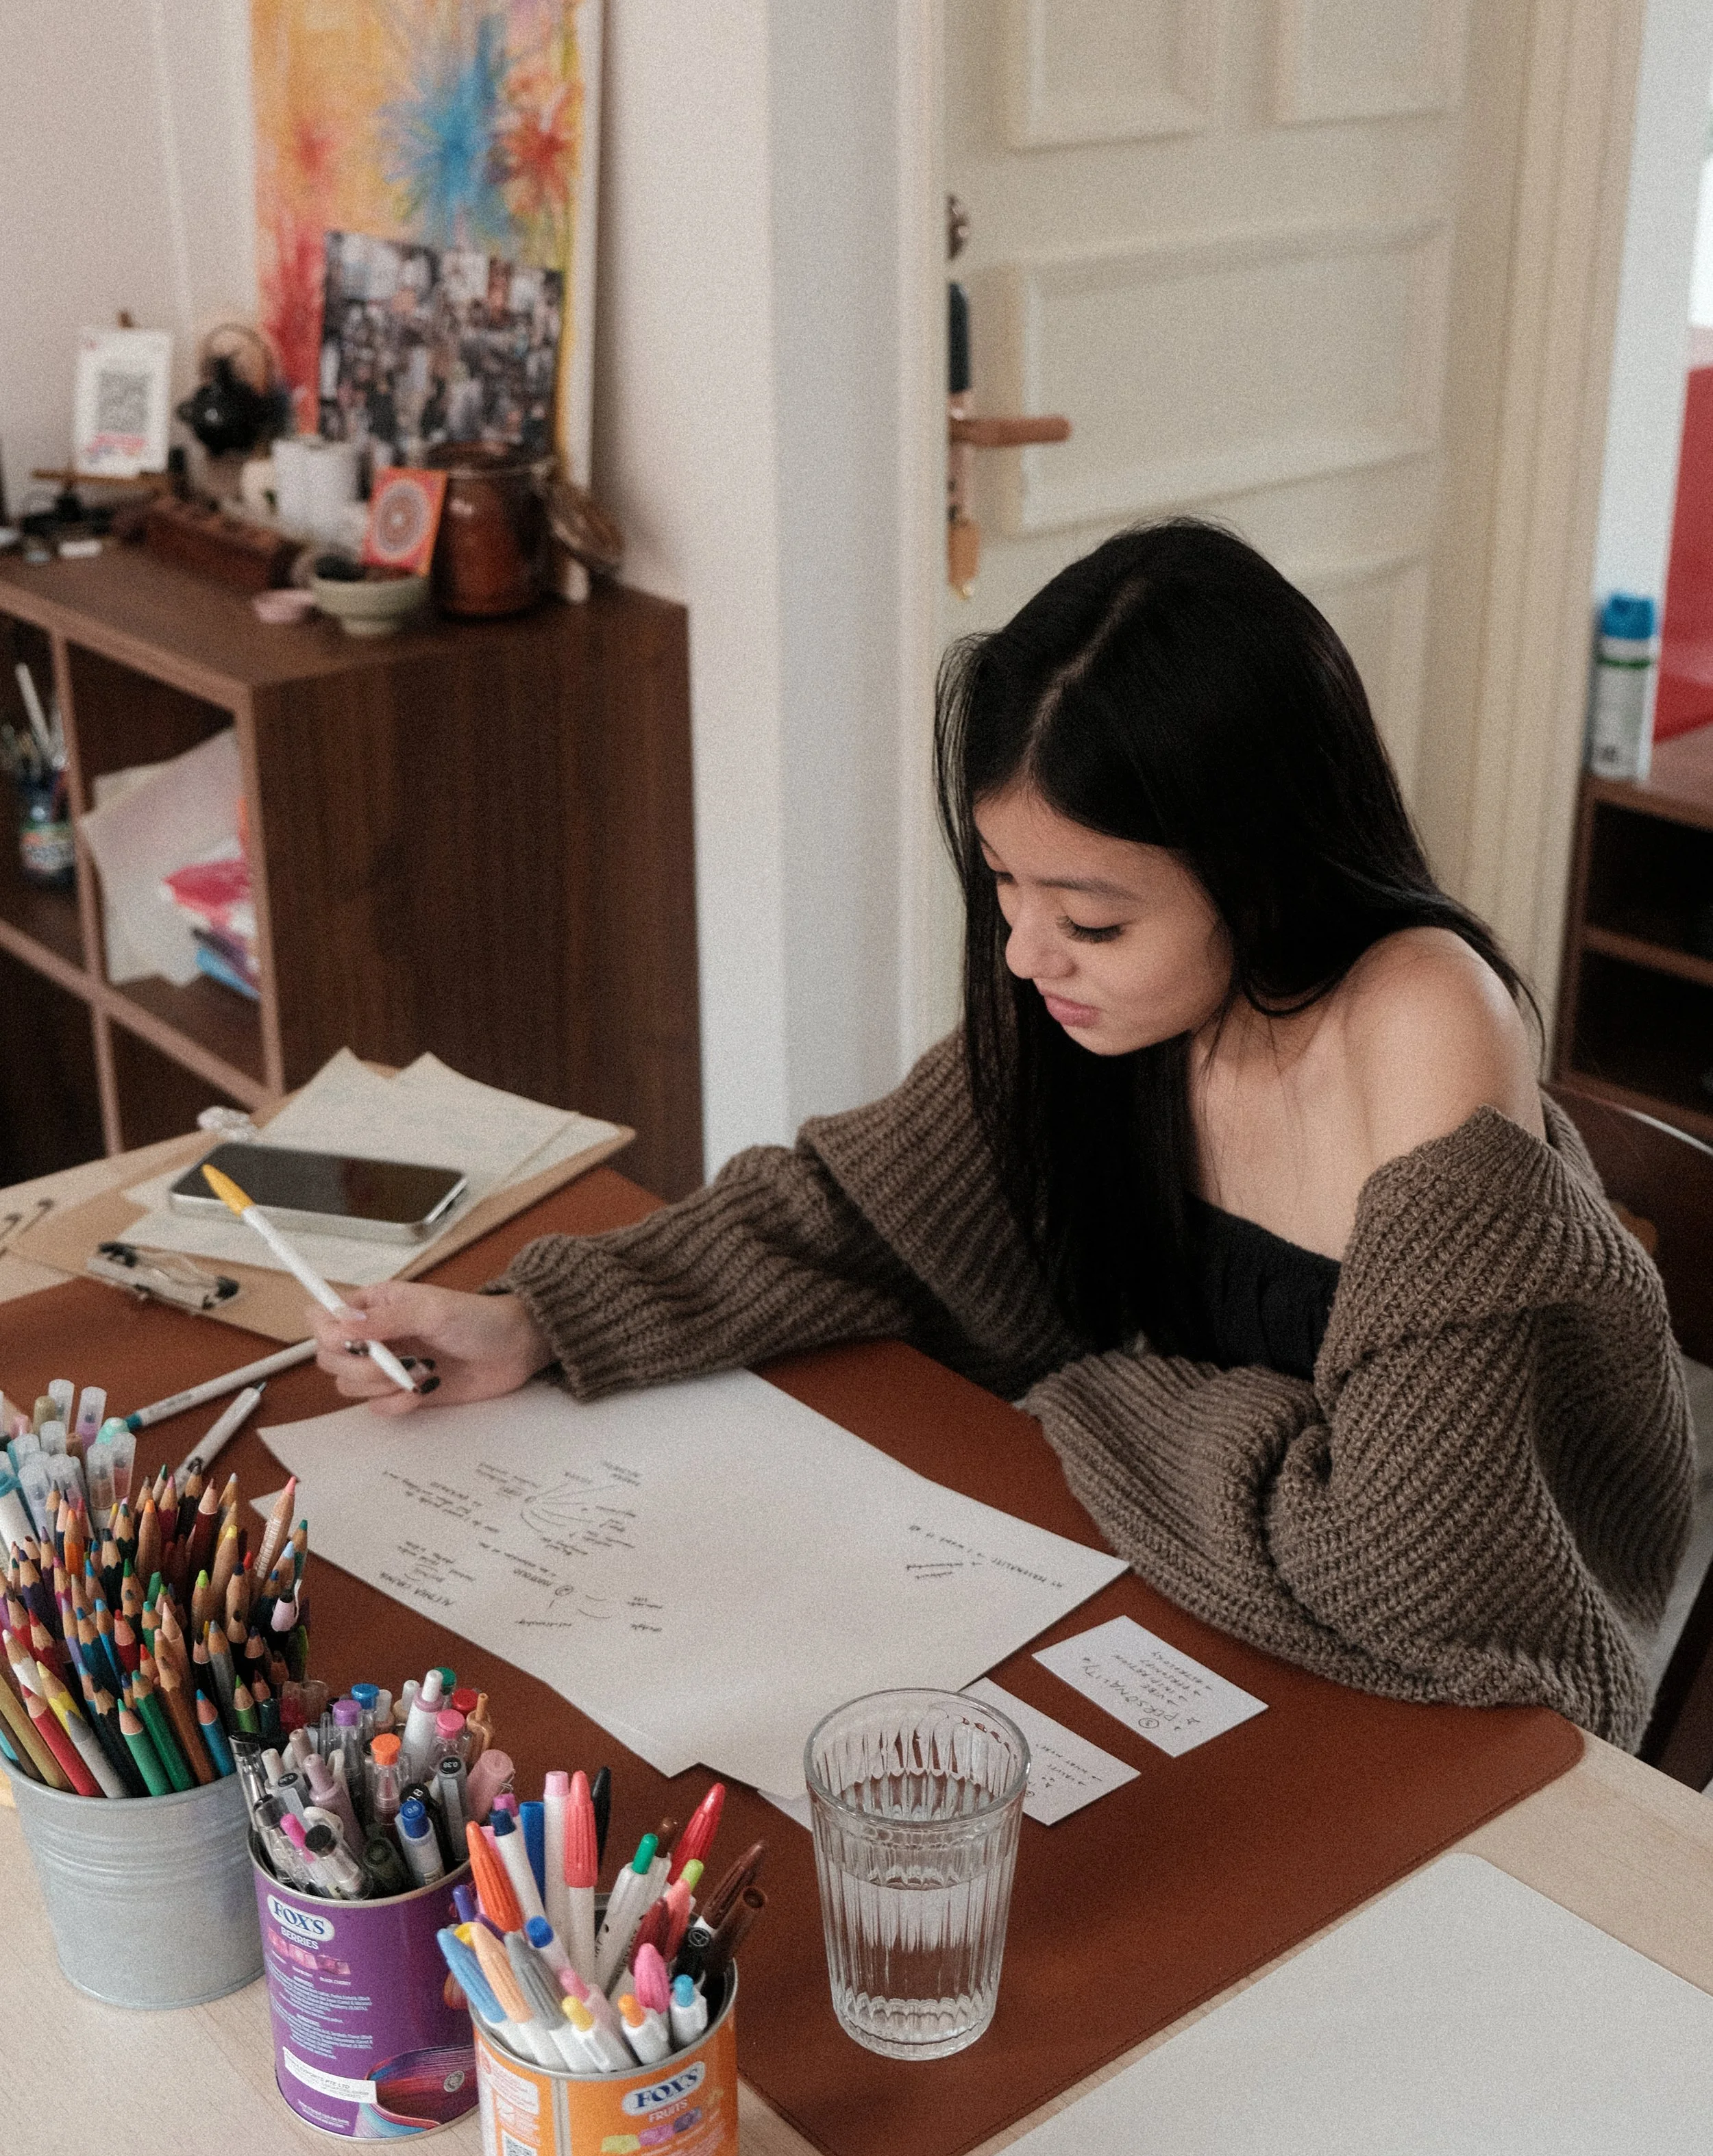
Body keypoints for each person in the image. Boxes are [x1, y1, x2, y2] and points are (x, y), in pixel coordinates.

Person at [310, 521, 1692, 1747]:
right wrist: (537, 1320)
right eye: (1003, 888)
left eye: (1090, 917)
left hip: (1473, 1718)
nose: (1030, 953)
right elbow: (847, 1217)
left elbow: (1412, 1570)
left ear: (1259, 872)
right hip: (1217, 1633)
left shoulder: (1421, 1017)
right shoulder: (1106, 1011)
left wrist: (1096, 1393)